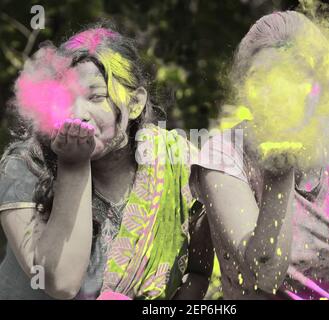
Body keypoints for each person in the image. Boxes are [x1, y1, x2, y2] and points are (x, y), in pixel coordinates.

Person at [0, 26, 213, 300]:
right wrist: (74, 165)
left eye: (96, 97)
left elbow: (198, 273)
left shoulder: (176, 162)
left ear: (135, 104)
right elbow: (61, 283)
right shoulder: (25, 165)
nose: (77, 114)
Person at [192, 11, 329, 300]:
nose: (278, 92)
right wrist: (279, 174)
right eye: (261, 78)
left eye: (294, 75)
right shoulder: (223, 154)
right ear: (243, 89)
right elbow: (264, 276)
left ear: (321, 84)